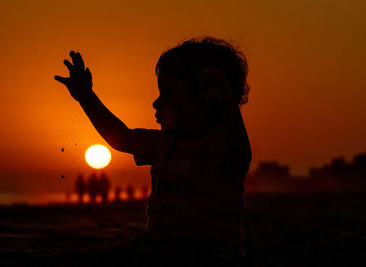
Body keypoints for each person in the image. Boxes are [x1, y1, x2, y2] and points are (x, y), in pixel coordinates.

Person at [55, 37, 252, 266]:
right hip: (156, 243)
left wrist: (226, 100)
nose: (156, 104)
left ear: (201, 105)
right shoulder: (163, 144)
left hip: (208, 253)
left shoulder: (219, 148)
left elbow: (240, 153)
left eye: (166, 94)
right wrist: (86, 97)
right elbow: (122, 138)